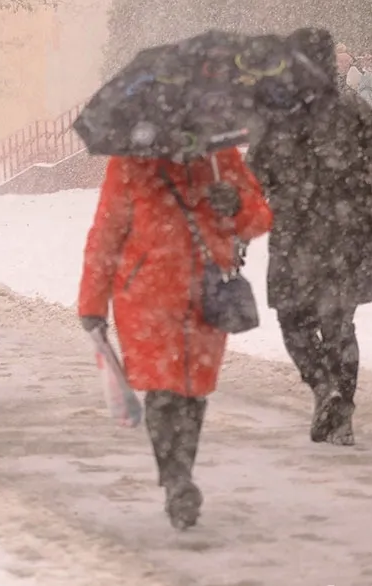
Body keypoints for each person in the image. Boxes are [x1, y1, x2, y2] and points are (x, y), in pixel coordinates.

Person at [78, 148, 272, 530]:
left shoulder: (220, 157)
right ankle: (176, 480)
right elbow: (107, 231)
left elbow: (258, 218)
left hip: (205, 295)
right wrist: (91, 302)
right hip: (147, 296)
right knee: (163, 391)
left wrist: (235, 205)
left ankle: (180, 472)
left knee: (192, 391)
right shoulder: (131, 160)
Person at [246, 27, 372, 447]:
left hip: (296, 238)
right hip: (349, 236)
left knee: (293, 321)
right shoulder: (354, 108)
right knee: (340, 324)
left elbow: (252, 175)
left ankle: (323, 388)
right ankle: (341, 414)